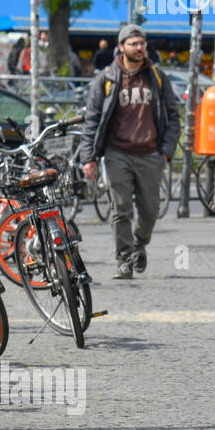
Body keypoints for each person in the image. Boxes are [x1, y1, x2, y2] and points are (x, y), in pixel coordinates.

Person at [79, 25, 181, 280]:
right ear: (121, 46)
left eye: (142, 43)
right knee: (120, 208)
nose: (139, 48)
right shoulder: (107, 79)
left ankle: (139, 244)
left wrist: (166, 152)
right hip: (117, 153)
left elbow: (173, 116)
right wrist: (88, 157)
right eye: (133, 43)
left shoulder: (157, 77)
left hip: (150, 154)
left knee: (150, 210)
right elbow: (92, 120)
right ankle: (123, 260)